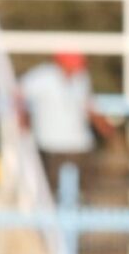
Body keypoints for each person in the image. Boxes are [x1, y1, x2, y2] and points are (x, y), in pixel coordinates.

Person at [19, 51, 114, 191]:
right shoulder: (41, 77)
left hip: (80, 144)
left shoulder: (81, 78)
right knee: (50, 188)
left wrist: (105, 128)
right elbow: (19, 95)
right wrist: (23, 119)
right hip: (50, 144)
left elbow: (89, 105)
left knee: (86, 188)